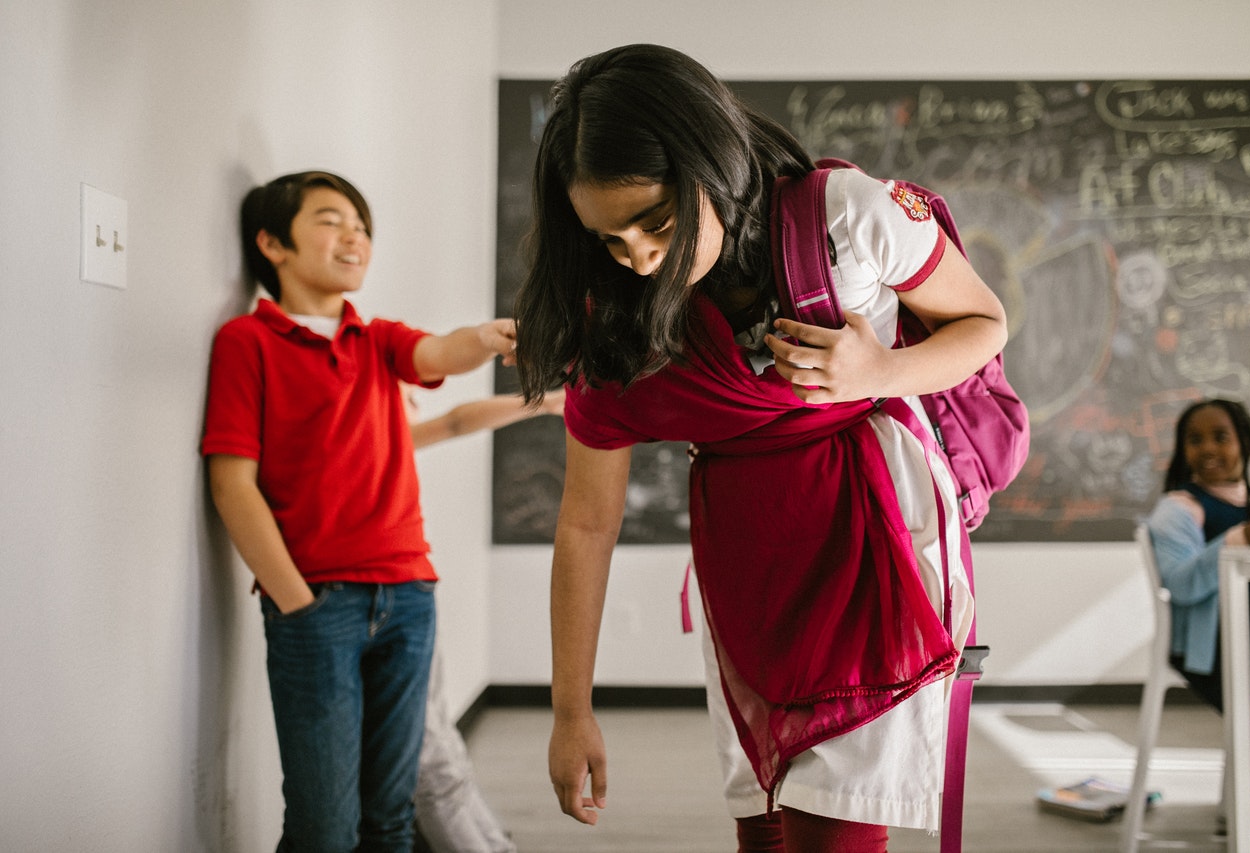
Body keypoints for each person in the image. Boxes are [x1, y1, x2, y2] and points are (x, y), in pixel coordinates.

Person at [511, 44, 1009, 852]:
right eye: (610, 238)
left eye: (658, 223)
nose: (639, 256)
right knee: (768, 826)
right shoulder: (616, 319)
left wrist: (878, 371)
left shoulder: (844, 217)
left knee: (833, 829)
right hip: (747, 563)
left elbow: (985, 324)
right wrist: (571, 712)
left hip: (874, 535)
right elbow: (586, 523)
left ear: (712, 162)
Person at [202, 170, 516, 853]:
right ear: (271, 243)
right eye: (331, 219)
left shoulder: (377, 340)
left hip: (408, 597)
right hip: (318, 606)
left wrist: (489, 338)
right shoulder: (245, 344)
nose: (355, 236)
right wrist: (297, 601)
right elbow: (232, 484)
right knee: (324, 828)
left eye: (363, 226)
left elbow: (441, 351)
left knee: (391, 821)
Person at [404, 388, 565, 853]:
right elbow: (452, 421)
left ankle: (493, 843)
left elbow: (453, 421)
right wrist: (545, 402)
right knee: (431, 752)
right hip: (372, 591)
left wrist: (547, 402)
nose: (412, 401)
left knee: (437, 744)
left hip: (408, 586)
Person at [1144, 398, 1250, 823]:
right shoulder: (1180, 510)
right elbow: (1181, 584)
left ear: (1246, 443)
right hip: (1214, 649)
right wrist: (1239, 539)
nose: (1208, 449)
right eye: (1195, 439)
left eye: (1221, 437)